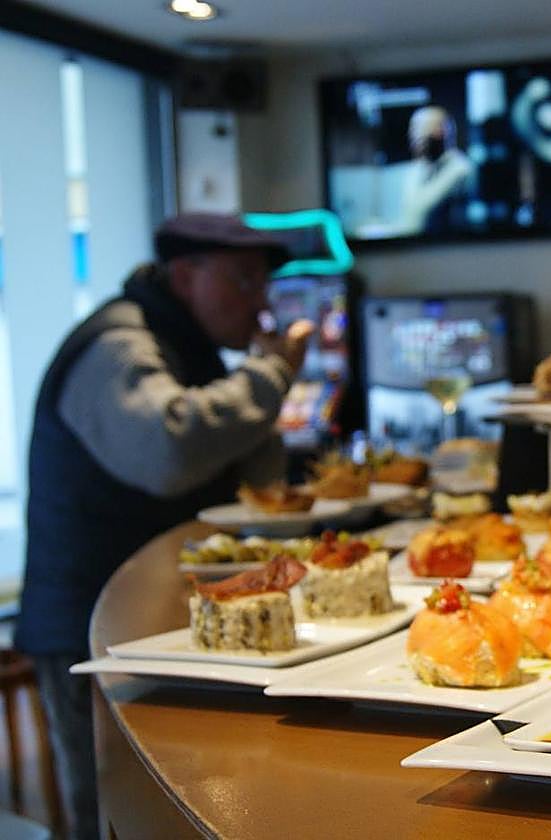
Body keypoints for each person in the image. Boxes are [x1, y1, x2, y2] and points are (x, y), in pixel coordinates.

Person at [15, 213, 313, 840]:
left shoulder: (188, 345)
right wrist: (268, 377)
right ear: (184, 276)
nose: (260, 302)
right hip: (87, 621)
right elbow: (168, 452)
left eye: (263, 284)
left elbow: (252, 487)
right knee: (111, 808)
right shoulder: (117, 345)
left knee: (186, 798)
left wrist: (264, 394)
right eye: (243, 280)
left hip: (156, 618)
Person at [394, 105, 476, 235]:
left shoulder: (461, 169)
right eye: (412, 129)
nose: (412, 135)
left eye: (419, 128)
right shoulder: (418, 168)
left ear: (441, 131)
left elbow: (420, 207)